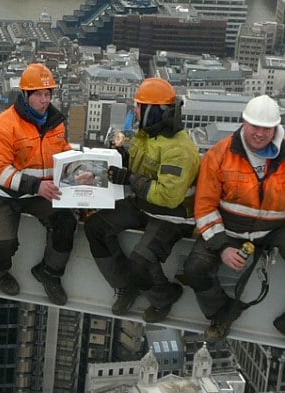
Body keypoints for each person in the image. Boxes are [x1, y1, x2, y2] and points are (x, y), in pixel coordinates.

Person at [83, 78, 200, 322]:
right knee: (95, 226)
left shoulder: (180, 149)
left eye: (139, 106)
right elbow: (141, 170)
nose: (135, 111)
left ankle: (163, 296)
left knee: (141, 260)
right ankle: (125, 285)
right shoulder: (147, 135)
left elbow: (167, 196)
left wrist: (128, 177)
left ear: (154, 110)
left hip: (173, 215)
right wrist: (122, 159)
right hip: (144, 204)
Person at [183, 94, 285, 342]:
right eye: (255, 126)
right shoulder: (219, 155)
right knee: (195, 269)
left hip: (274, 229)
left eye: (267, 128)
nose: (260, 134)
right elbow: (205, 206)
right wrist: (222, 247)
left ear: (276, 128)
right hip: (229, 229)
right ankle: (221, 313)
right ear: (243, 123)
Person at [0, 62, 76, 305]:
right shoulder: (1, 127)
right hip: (2, 194)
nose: (44, 100)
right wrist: (36, 186)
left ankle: (50, 272)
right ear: (26, 96)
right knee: (5, 244)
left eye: (47, 94)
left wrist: (78, 171)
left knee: (66, 221)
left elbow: (63, 155)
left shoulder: (55, 124)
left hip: (36, 192)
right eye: (39, 95)